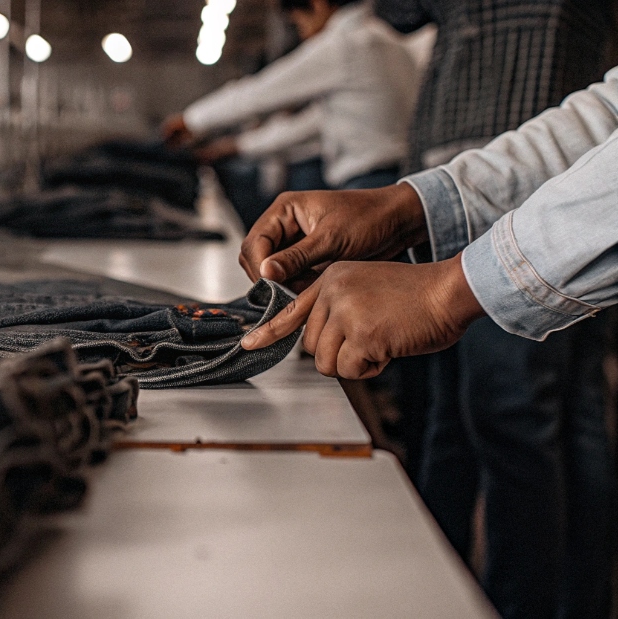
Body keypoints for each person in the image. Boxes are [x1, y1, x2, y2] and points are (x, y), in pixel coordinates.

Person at [239, 65, 618, 619]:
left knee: (512, 423)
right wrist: (407, 208)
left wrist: (451, 289)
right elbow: (609, 115)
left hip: (526, 233)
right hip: (510, 215)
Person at [161, 0, 419, 190]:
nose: (303, 33)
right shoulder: (391, 43)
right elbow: (312, 124)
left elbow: (259, 93)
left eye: (298, 22)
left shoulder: (343, 45)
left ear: (318, 5)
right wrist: (239, 146)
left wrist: (191, 119)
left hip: (367, 184)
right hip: (403, 181)